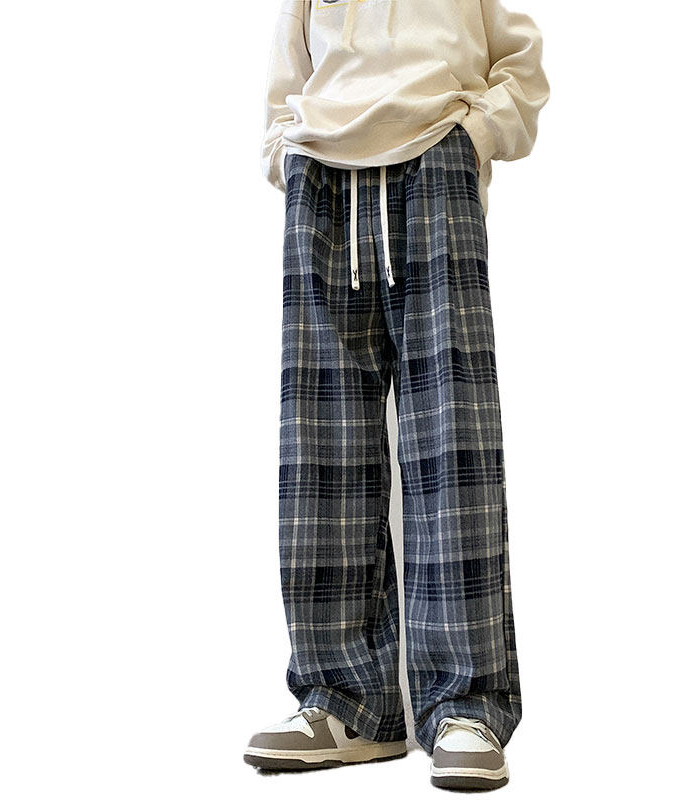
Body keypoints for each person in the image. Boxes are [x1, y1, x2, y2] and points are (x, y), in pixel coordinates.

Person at [244, 0, 549, 791]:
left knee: (452, 440)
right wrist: (288, 153)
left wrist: (474, 137)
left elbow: (520, 62)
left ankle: (467, 705)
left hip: (435, 161)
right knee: (322, 449)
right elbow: (285, 80)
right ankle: (343, 702)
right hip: (322, 178)